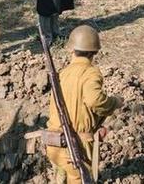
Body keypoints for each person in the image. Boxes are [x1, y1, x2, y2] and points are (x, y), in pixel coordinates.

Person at [46, 25, 122, 183]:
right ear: (94, 52)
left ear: (71, 50)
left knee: (61, 176)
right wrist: (114, 103)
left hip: (53, 142)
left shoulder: (63, 73)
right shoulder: (90, 72)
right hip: (76, 144)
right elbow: (95, 100)